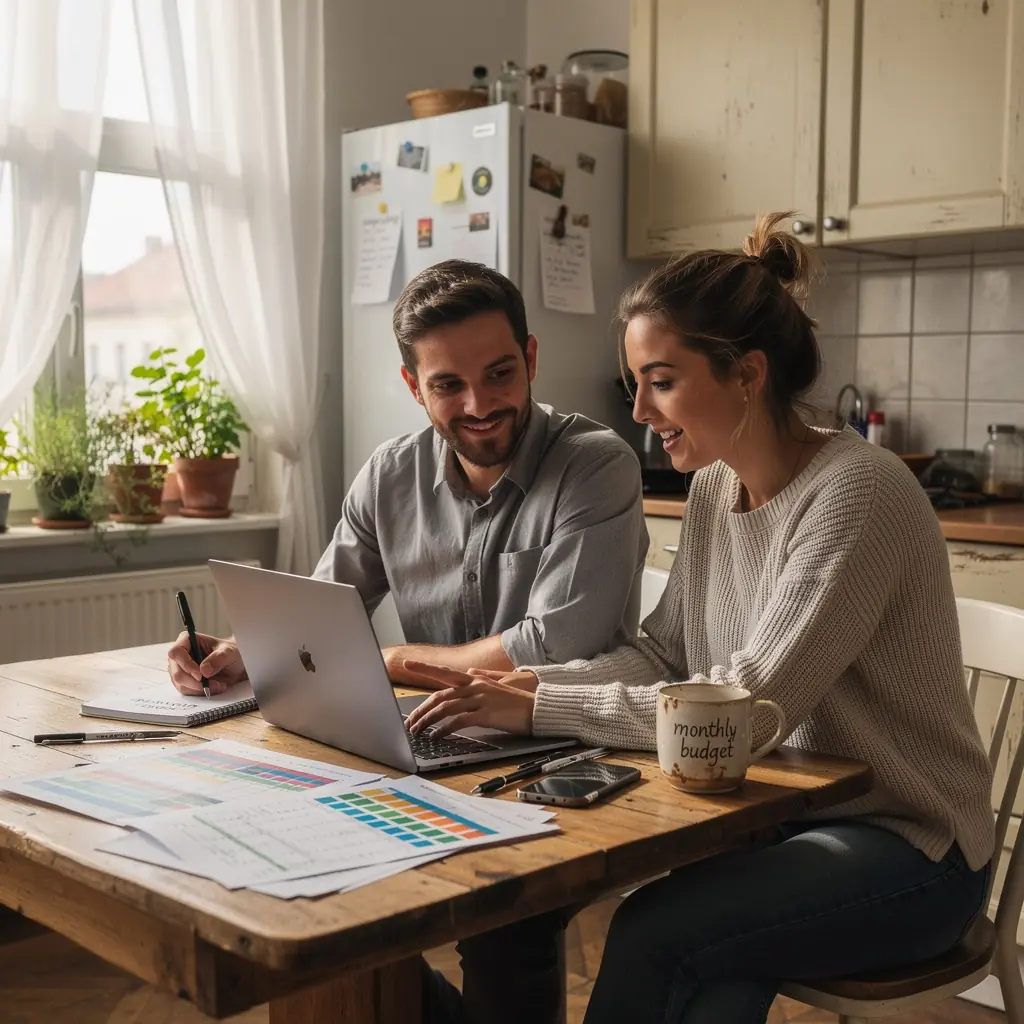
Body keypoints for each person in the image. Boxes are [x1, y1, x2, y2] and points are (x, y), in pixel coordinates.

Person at [405, 213, 995, 1024]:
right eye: (636, 383)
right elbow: (664, 652)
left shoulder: (860, 492)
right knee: (713, 970)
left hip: (912, 846)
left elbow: (742, 707)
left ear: (747, 374)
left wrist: (539, 705)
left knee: (661, 930)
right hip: (779, 823)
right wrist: (530, 681)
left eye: (662, 379)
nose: (640, 409)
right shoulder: (716, 487)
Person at [166, 260, 648, 696]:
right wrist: (241, 650)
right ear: (415, 387)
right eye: (448, 385)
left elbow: (554, 650)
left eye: (499, 374)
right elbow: (322, 614)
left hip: (570, 744)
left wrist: (396, 659)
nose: (479, 405)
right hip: (432, 733)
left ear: (531, 360)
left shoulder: (597, 467)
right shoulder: (388, 476)